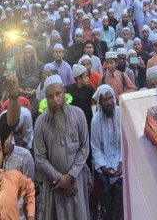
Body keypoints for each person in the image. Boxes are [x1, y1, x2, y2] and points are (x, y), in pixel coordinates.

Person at [34, 80, 91, 220]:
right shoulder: (40, 123)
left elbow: (84, 147)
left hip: (76, 181)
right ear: (46, 99)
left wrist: (70, 176)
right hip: (55, 185)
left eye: (58, 94)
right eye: (50, 97)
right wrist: (60, 179)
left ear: (64, 93)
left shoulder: (78, 114)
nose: (55, 99)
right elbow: (40, 158)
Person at [91, 85, 123, 220]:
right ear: (100, 102)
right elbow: (96, 149)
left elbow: (125, 144)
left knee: (119, 189)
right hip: (103, 163)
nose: (109, 102)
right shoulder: (96, 120)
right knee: (106, 189)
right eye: (105, 100)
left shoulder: (121, 113)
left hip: (121, 161)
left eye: (110, 98)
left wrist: (121, 162)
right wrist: (104, 167)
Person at [65, 64, 95, 133]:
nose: (88, 78)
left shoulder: (89, 88)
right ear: (79, 79)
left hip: (87, 120)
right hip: (74, 122)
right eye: (86, 76)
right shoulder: (68, 90)